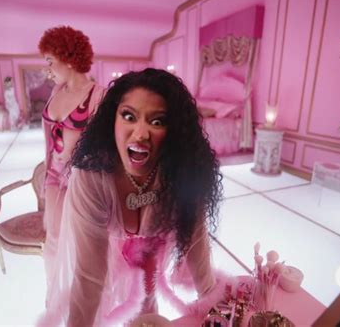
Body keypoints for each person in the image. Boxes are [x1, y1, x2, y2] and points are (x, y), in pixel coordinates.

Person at [39, 68, 230, 326]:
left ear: (174, 132)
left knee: (148, 307)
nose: (140, 133)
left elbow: (196, 244)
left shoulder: (184, 173)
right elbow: (88, 275)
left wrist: (214, 307)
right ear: (111, 120)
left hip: (153, 254)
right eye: (128, 116)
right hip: (104, 253)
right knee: (101, 304)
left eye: (157, 121)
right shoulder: (92, 176)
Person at [37, 25, 105, 303]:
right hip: (54, 178)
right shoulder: (56, 91)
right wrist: (45, 178)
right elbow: (48, 143)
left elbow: (105, 149)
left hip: (82, 183)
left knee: (82, 244)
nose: (47, 69)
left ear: (68, 58)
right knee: (53, 239)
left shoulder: (99, 95)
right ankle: (55, 298)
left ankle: (83, 297)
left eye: (50, 61)